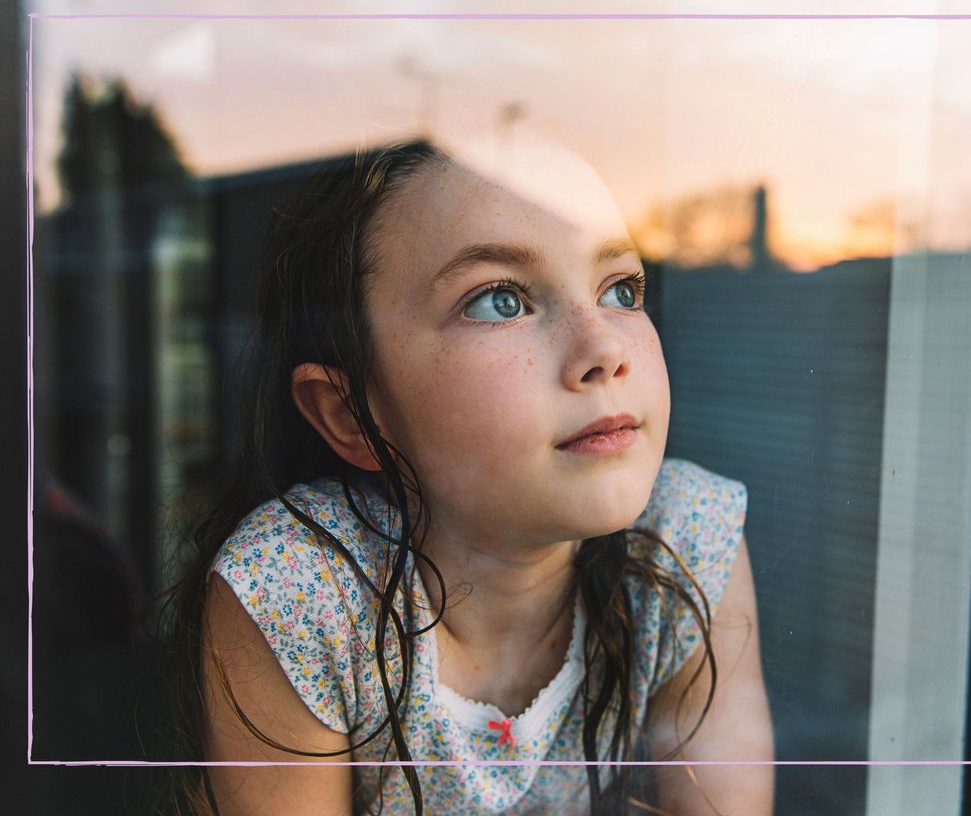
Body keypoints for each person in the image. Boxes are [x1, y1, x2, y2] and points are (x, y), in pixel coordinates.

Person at [161, 137, 774, 815]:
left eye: (620, 288)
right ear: (353, 415)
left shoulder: (685, 537)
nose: (603, 347)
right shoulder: (300, 587)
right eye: (499, 301)